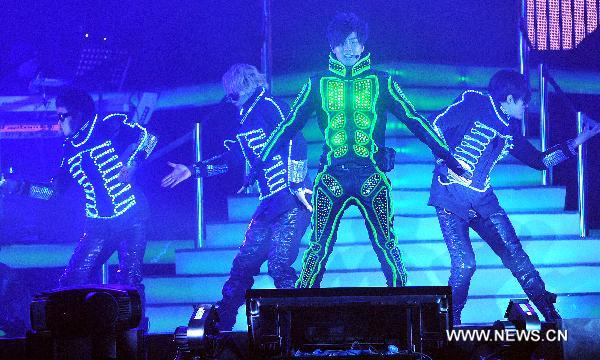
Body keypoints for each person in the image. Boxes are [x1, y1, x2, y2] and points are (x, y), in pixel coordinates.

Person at [259, 12, 467, 288]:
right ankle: (301, 311)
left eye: (354, 42)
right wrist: (260, 163)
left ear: (362, 46)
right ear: (332, 47)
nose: (348, 48)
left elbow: (414, 119)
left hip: (371, 174)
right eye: (342, 43)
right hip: (332, 176)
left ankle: (403, 306)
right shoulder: (317, 83)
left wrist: (447, 155)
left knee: (387, 245)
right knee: (317, 248)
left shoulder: (381, 81)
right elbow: (287, 126)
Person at [428, 69, 600, 324]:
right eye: (523, 101)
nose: (526, 106)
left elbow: (539, 161)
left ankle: (551, 315)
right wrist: (446, 159)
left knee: (517, 258)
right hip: (450, 196)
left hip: (484, 200)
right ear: (508, 99)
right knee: (465, 265)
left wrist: (578, 140)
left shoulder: (510, 130)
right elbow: (434, 124)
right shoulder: (474, 101)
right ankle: (450, 324)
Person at [161, 63, 312, 331]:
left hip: (290, 199)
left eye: (231, 91)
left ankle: (301, 328)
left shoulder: (269, 105)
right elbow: (233, 157)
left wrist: (298, 182)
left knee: (279, 266)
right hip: (269, 203)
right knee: (243, 266)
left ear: (240, 86)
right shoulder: (246, 117)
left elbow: (296, 139)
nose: (229, 97)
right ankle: (222, 324)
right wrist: (193, 170)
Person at [0, 88, 156, 311]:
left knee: (129, 281)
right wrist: (21, 188)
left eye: (63, 116)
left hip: (131, 216)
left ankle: (134, 337)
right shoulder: (69, 150)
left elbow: (149, 138)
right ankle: (81, 336)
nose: (59, 122)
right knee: (71, 282)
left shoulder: (106, 126)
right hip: (98, 225)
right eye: (58, 116)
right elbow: (54, 192)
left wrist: (133, 163)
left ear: (80, 113)